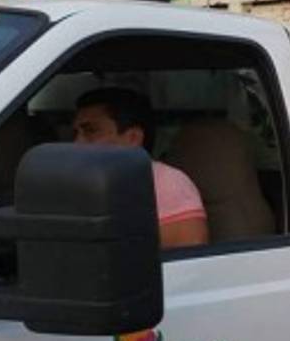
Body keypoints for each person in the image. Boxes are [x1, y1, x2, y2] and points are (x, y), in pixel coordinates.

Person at [71, 87, 208, 250]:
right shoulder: (79, 182)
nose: (77, 143)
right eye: (76, 132)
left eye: (91, 131)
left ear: (133, 138)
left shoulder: (166, 181)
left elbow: (188, 258)